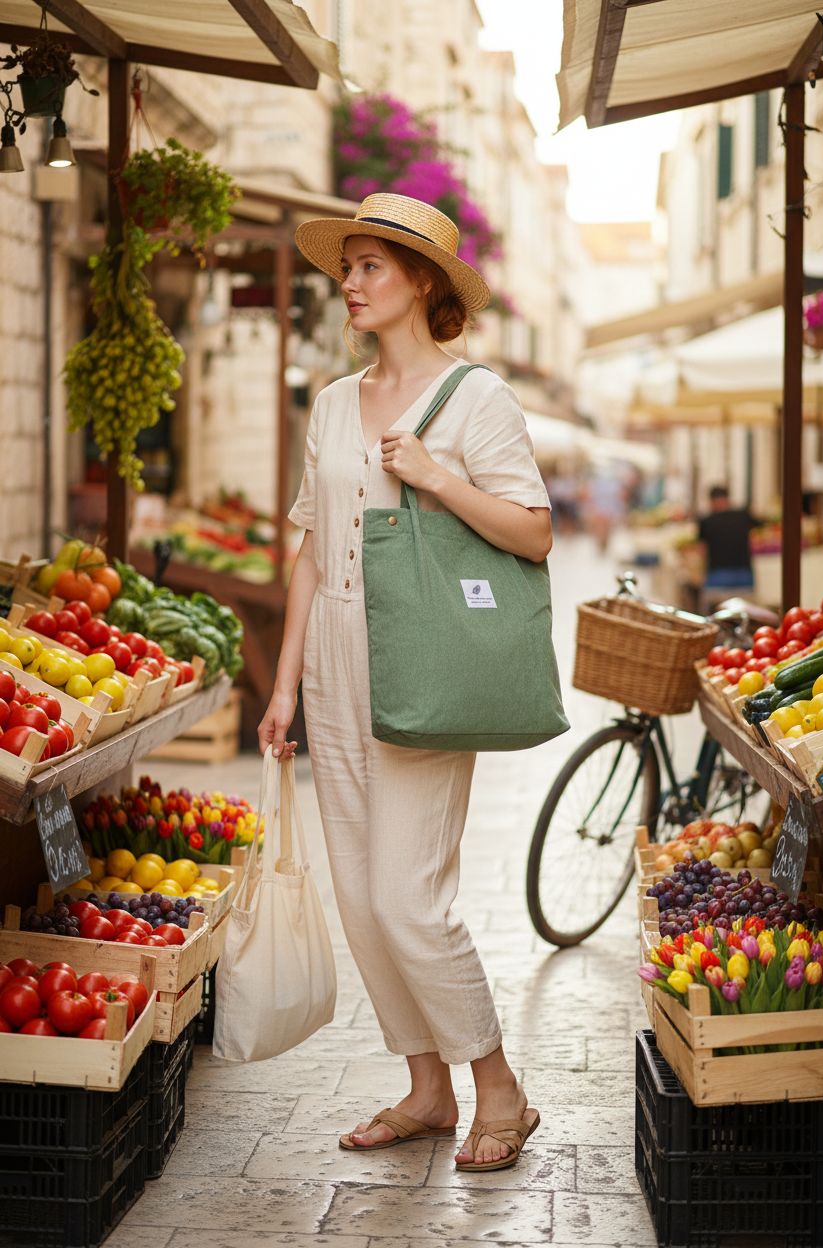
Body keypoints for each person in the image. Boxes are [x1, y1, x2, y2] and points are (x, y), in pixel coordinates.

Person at [258, 193, 552, 1173]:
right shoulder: (334, 404)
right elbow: (306, 546)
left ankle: (498, 1085)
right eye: (345, 267)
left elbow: (533, 532)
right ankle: (426, 1087)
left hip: (423, 656)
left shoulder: (479, 400)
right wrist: (284, 684)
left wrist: (433, 477)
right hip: (334, 659)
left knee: (407, 899)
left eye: (370, 267)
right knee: (355, 894)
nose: (347, 283)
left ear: (422, 282)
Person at [697, 485, 762, 608]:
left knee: (716, 615)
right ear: (727, 499)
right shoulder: (743, 516)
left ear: (711, 501)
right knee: (747, 615)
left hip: (717, 576)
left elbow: (702, 549)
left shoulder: (706, 521)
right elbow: (761, 527)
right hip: (744, 575)